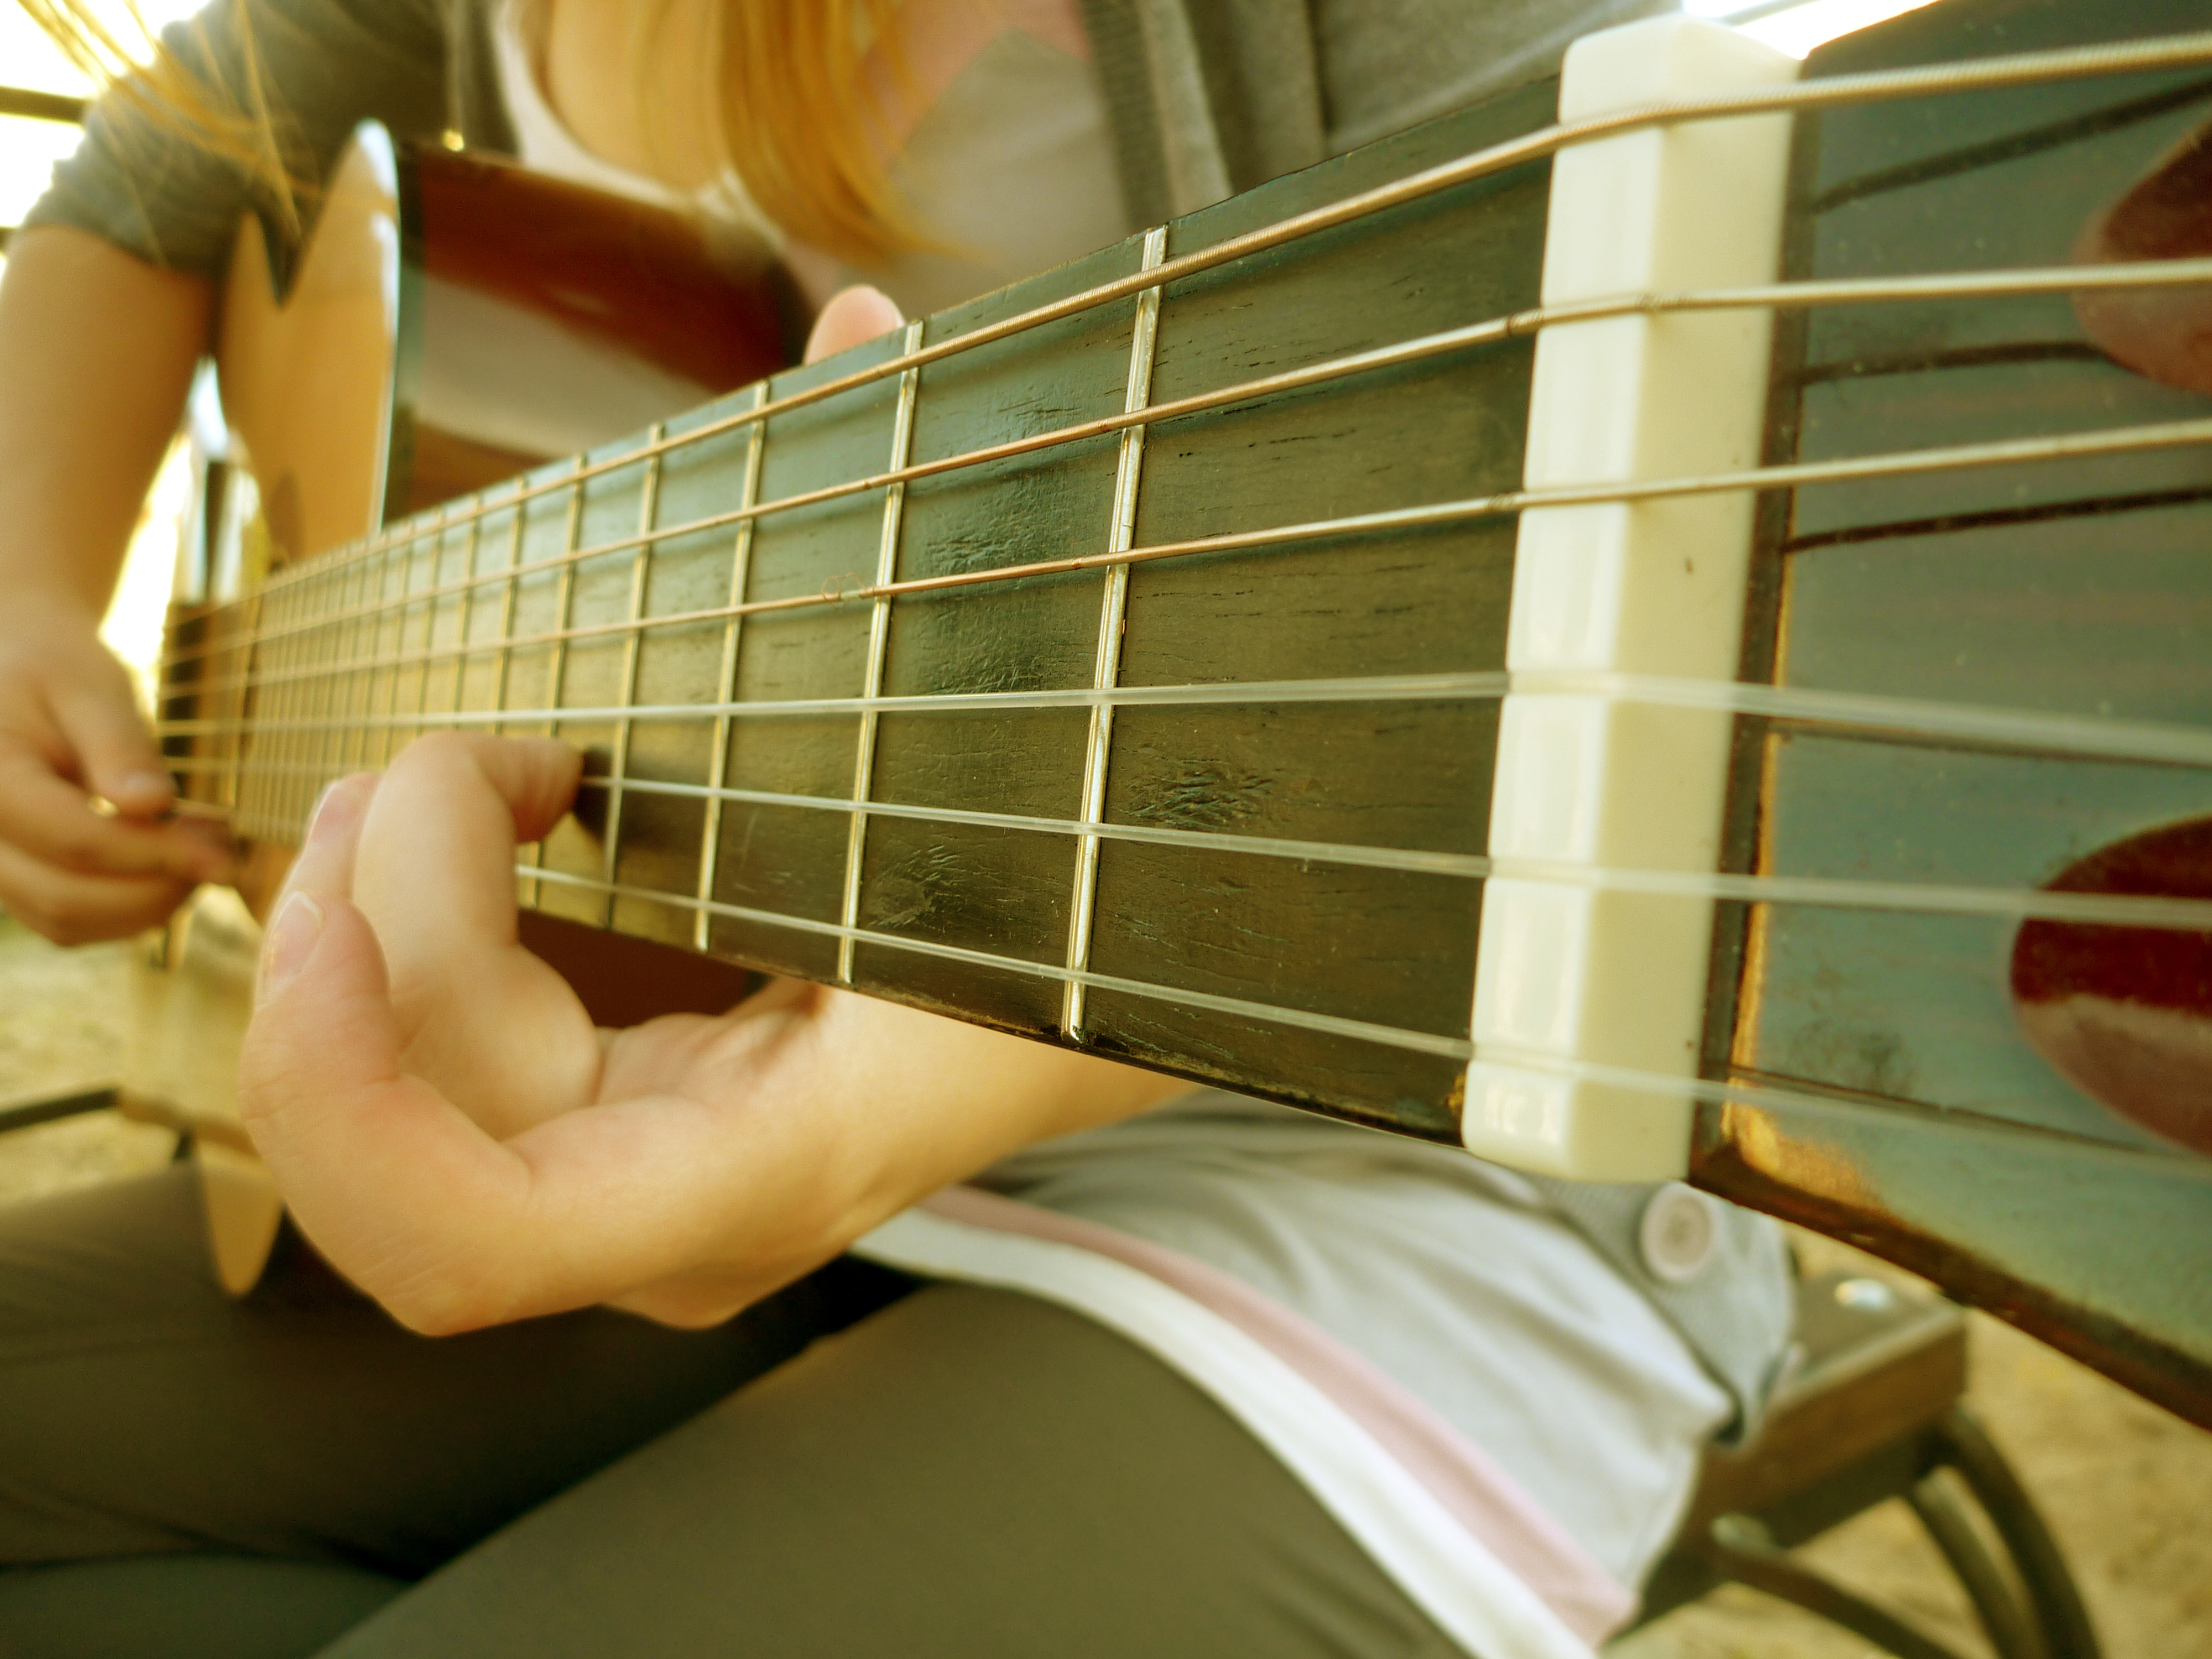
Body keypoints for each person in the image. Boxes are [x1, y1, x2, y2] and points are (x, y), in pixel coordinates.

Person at [0, 3, 1794, 1655]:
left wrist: (859, 1114)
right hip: (691, 1079)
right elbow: (147, 182)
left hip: (1365, 1177)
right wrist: (26, 596)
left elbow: (1573, 613)